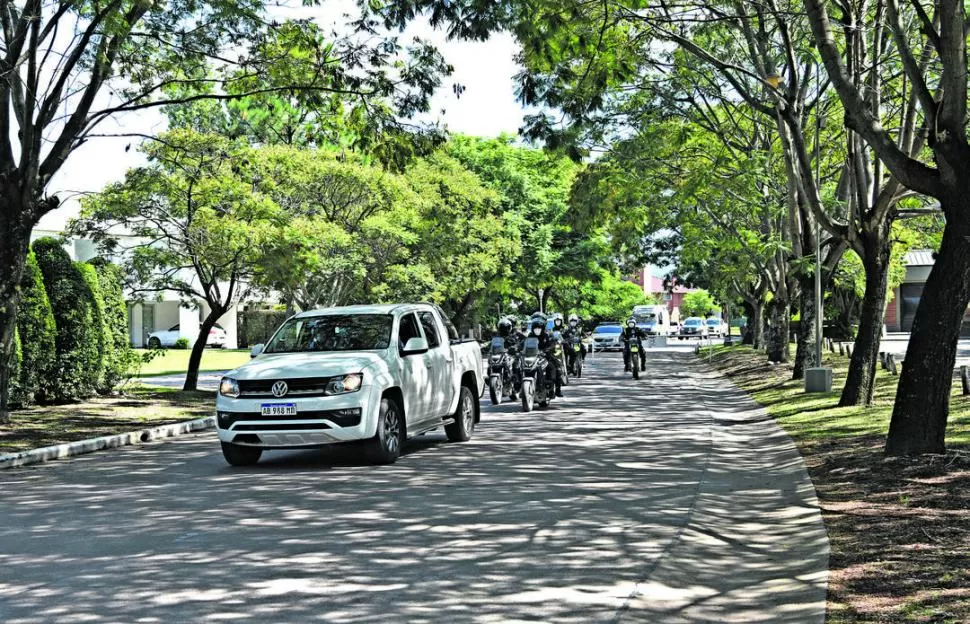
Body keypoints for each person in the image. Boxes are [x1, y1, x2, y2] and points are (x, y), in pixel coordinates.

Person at [528, 313, 563, 397]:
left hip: (546, 356)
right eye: (535, 327)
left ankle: (556, 389)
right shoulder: (530, 335)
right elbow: (524, 344)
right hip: (533, 357)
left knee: (556, 367)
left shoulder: (548, 334)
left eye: (539, 327)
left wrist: (547, 350)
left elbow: (553, 344)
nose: (537, 329)